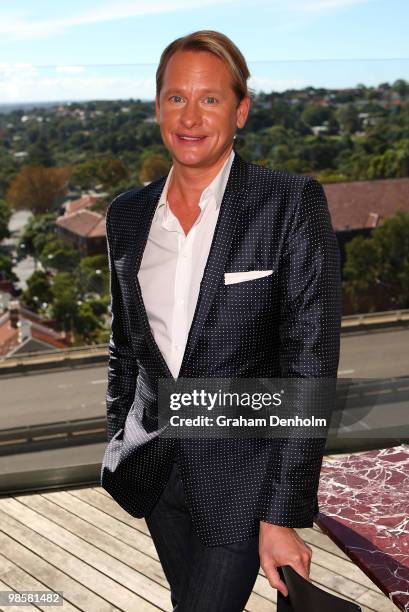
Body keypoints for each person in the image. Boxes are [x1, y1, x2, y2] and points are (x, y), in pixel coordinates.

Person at [101, 29, 341, 612]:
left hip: (245, 478)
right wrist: (119, 431)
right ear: (157, 106)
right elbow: (125, 346)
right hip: (157, 470)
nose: (190, 115)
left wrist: (283, 512)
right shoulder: (127, 216)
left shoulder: (289, 203)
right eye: (176, 97)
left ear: (241, 111)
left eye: (209, 99)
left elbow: (310, 364)